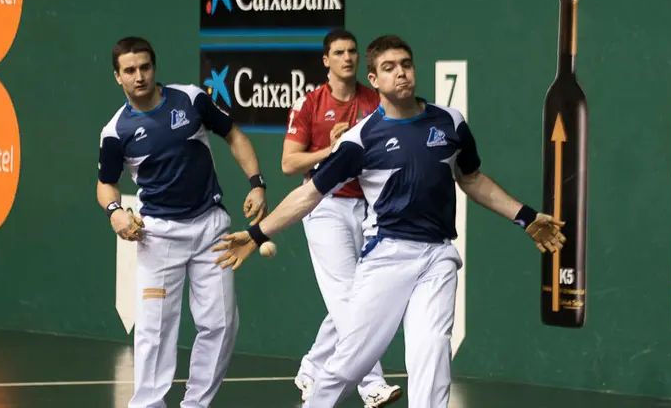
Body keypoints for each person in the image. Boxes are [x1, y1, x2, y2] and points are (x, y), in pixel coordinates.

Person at [212, 34, 566, 407]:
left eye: (406, 65)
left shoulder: (450, 123)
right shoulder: (361, 138)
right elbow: (309, 194)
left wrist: (525, 216)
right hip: (387, 256)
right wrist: (255, 233)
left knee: (432, 354)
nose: (401, 73)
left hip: (438, 255)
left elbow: (471, 178)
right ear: (375, 80)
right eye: (389, 68)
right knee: (352, 361)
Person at [96, 36, 268, 408]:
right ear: (117, 77)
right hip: (158, 237)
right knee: (156, 332)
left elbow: (233, 135)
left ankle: (196, 405)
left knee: (221, 326)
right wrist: (116, 214)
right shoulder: (116, 132)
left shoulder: (190, 99)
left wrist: (256, 182)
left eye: (144, 67)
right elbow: (106, 184)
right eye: (130, 70)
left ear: (153, 67)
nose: (139, 76)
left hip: (211, 230)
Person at [281, 29, 402, 407]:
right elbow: (289, 163)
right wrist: (331, 150)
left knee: (357, 294)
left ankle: (313, 368)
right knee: (350, 297)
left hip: (367, 210)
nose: (347, 58)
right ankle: (371, 385)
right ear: (326, 60)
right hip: (324, 205)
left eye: (352, 51)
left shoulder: (375, 101)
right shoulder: (311, 104)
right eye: (339, 52)